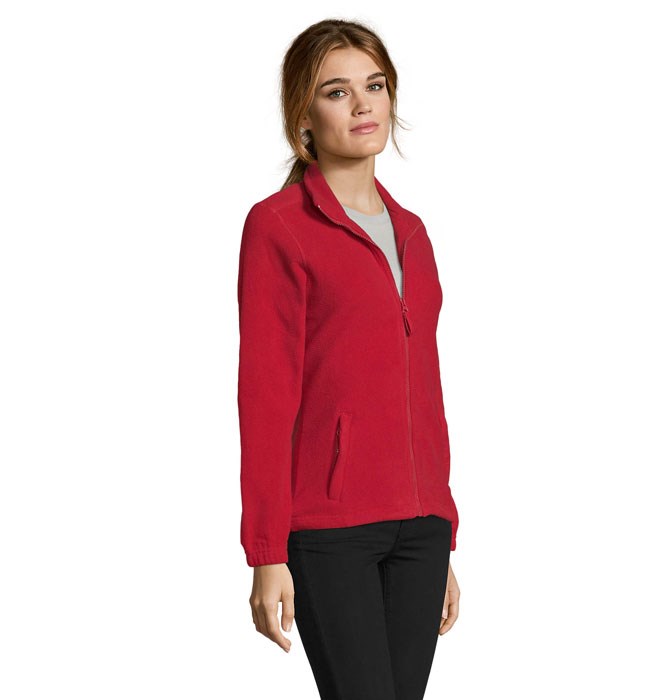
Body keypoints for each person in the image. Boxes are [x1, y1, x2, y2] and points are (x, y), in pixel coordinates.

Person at [237, 18, 461, 700]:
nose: (363, 105)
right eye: (337, 92)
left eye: (375, 86)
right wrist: (267, 551)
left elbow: (425, 391)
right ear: (302, 115)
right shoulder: (279, 226)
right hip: (331, 529)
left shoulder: (413, 233)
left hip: (421, 531)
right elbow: (265, 397)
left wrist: (442, 528)